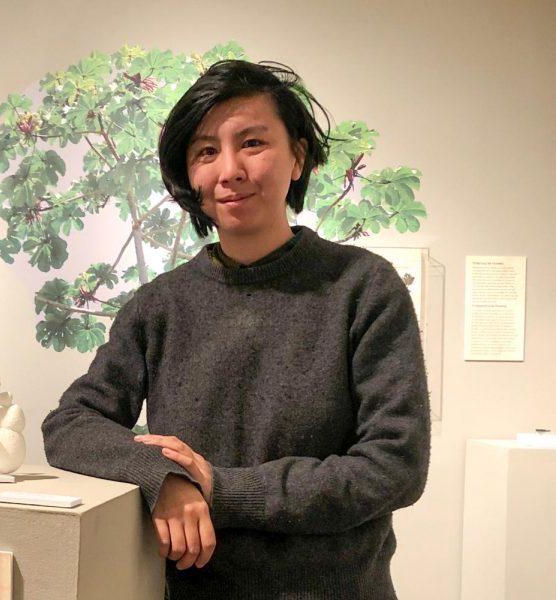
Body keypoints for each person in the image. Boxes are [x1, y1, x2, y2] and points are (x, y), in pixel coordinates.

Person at [42, 59, 430, 599]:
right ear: (189, 177)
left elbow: (395, 466)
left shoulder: (363, 287)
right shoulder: (160, 304)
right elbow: (69, 424)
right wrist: (163, 476)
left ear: (297, 156)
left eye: (252, 143)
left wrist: (222, 488)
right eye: (205, 152)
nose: (229, 170)